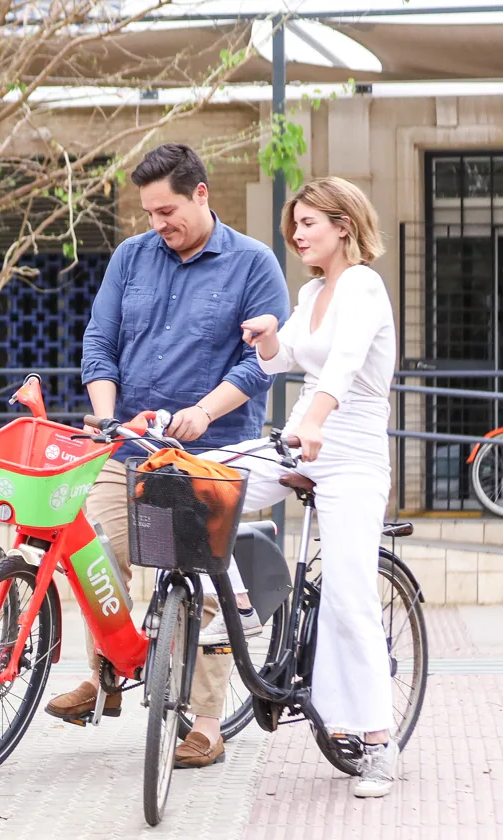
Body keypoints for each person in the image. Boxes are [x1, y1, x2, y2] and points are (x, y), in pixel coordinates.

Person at [44, 143, 290, 732]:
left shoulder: (254, 264)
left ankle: (205, 726)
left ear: (200, 193)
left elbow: (260, 365)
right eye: (149, 214)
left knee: (206, 586)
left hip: (211, 449)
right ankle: (107, 672)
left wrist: (204, 413)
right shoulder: (131, 257)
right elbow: (100, 343)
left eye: (167, 211)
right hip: (127, 444)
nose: (158, 225)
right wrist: (105, 417)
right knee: (90, 552)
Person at [181, 176, 399, 798]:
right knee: (201, 481)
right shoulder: (313, 290)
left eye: (310, 223)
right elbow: (286, 362)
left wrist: (313, 420)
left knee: (351, 594)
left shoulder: (363, 286)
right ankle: (243, 604)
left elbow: (344, 364)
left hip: (349, 451)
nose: (298, 234)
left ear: (344, 225)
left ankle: (378, 745)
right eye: (295, 225)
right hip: (302, 439)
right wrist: (271, 339)